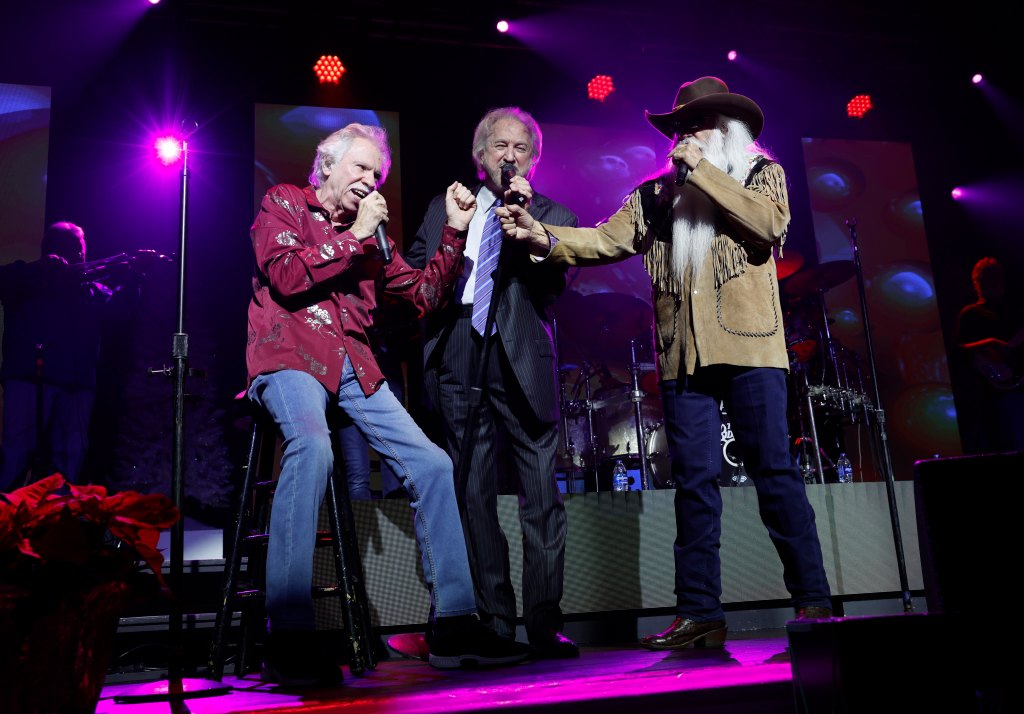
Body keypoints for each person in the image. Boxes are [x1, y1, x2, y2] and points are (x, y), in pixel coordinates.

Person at [498, 77, 834, 650]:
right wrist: (541, 235)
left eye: (698, 124)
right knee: (694, 485)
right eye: (682, 126)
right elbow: (604, 240)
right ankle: (700, 612)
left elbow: (769, 225)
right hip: (684, 356)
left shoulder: (758, 175)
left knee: (776, 474)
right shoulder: (656, 195)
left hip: (751, 348)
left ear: (727, 129)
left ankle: (815, 604)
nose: (686, 135)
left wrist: (703, 171)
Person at [245, 122, 533, 686]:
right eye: (361, 168)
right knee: (312, 448)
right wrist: (357, 237)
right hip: (290, 350)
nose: (370, 180)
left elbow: (423, 293)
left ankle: (453, 624)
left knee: (433, 464)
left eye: (376, 174)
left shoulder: (371, 232)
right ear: (327, 166)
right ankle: (291, 634)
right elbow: (284, 275)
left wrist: (454, 230)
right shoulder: (284, 202)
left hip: (354, 363)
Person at [405, 107, 581, 659]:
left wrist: (528, 229)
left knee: (541, 494)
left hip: (522, 354)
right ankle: (495, 620)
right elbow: (414, 276)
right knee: (473, 493)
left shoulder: (552, 213)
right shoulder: (444, 207)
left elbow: (554, 286)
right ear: (479, 157)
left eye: (521, 148)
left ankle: (544, 620)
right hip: (460, 348)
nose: (509, 155)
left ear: (534, 159)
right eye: (499, 146)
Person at [0, 222, 136, 492]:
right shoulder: (26, 278)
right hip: (29, 381)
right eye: (78, 249)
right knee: (17, 455)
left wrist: (135, 276)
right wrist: (40, 268)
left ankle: (62, 525)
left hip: (76, 387)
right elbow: (5, 281)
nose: (83, 256)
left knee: (69, 462)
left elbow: (119, 314)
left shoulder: (90, 289)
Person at [953, 256, 1024, 453]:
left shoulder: (1013, 310)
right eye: (982, 281)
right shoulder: (971, 313)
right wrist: (991, 344)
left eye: (990, 280)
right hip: (988, 395)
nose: (986, 285)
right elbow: (958, 351)